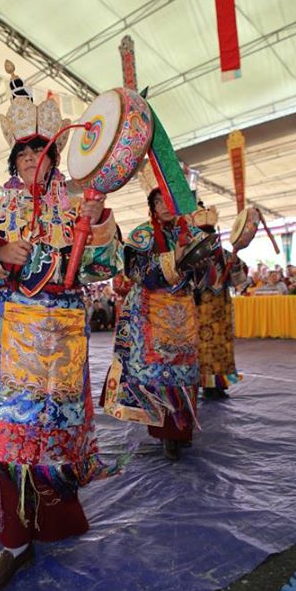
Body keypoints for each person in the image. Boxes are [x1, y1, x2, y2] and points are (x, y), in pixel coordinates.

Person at [0, 63, 122, 591]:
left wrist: (99, 224)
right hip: (9, 349)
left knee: (53, 444)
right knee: (4, 444)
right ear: (14, 162)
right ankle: (15, 544)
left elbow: (103, 267)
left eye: (39, 152)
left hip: (62, 345)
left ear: (53, 160)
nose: (30, 160)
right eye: (22, 153)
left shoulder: (77, 209)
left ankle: (54, 523)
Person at [101, 187, 202, 462]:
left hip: (181, 311)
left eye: (169, 200)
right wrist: (173, 259)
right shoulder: (141, 235)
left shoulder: (189, 232)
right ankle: (167, 433)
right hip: (149, 312)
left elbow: (204, 273)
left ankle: (182, 429)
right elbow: (136, 271)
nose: (165, 206)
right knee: (159, 373)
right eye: (159, 201)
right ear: (152, 206)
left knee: (184, 371)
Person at [191, 204, 247, 399]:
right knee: (202, 348)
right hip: (200, 308)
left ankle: (219, 384)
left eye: (210, 234)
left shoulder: (225, 254)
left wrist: (236, 262)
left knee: (221, 347)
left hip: (221, 307)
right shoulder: (192, 256)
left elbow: (239, 278)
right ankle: (206, 385)